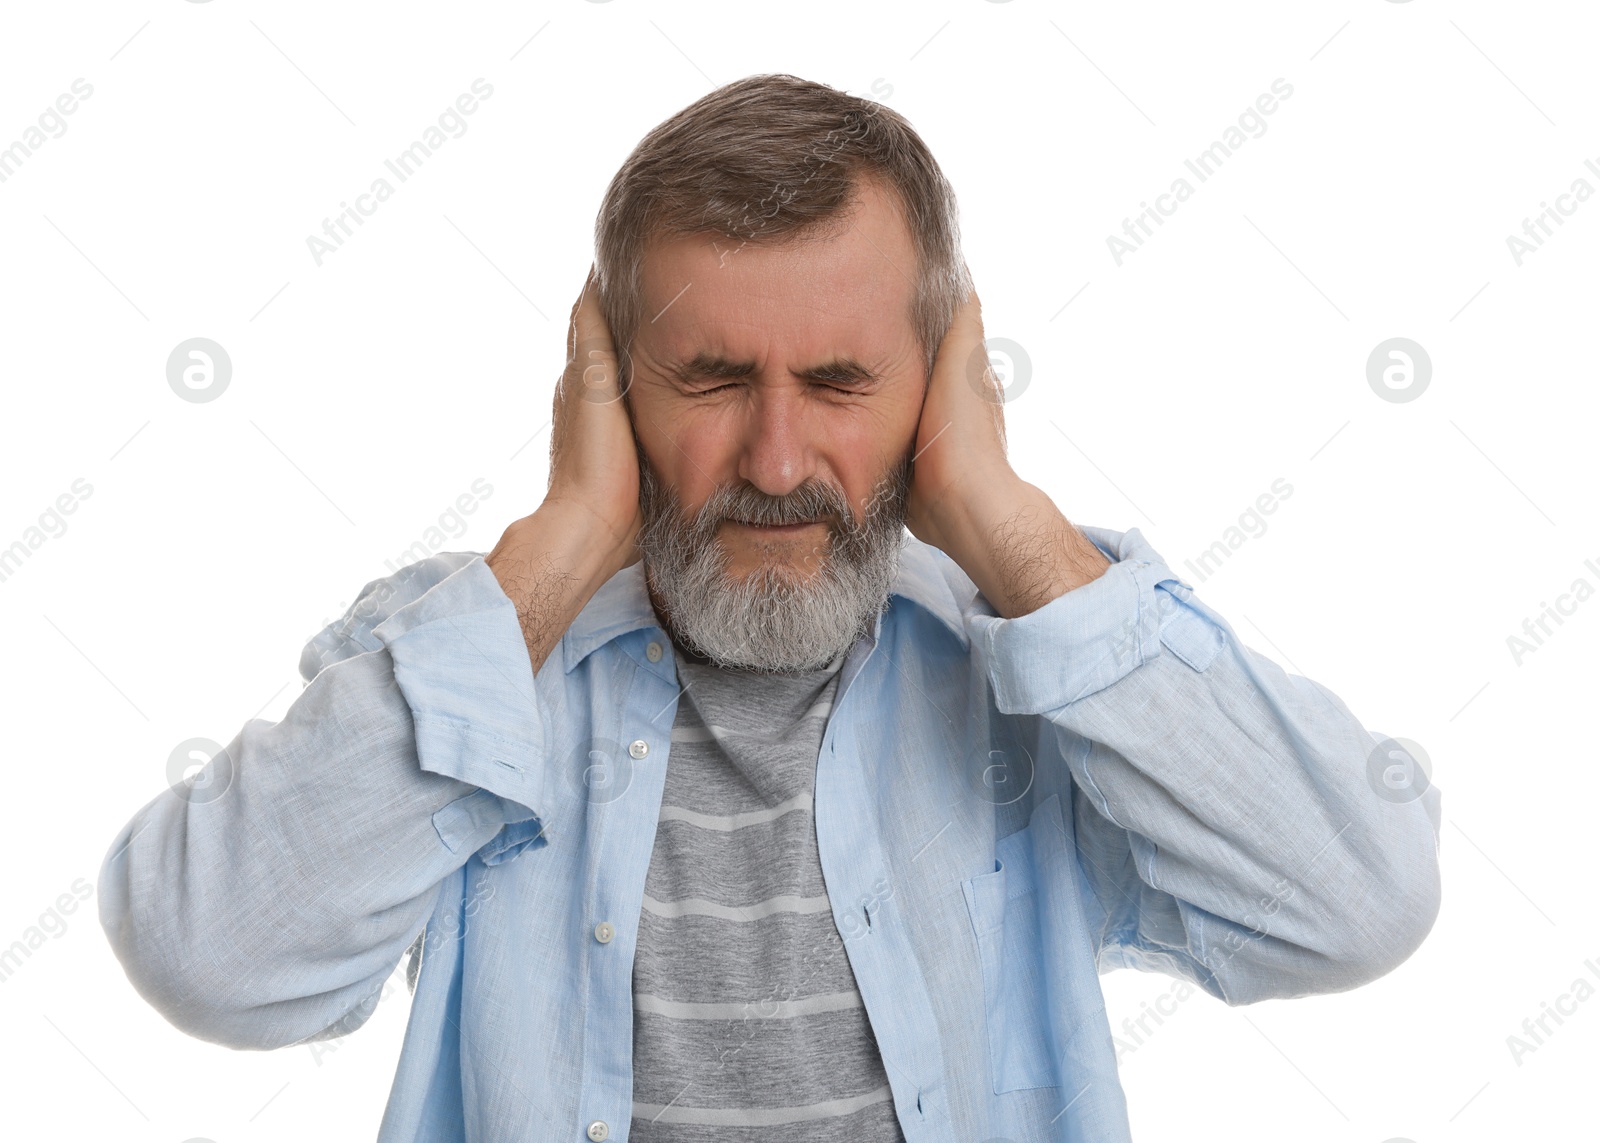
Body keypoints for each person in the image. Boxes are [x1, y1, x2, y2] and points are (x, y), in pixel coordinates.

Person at [98, 74, 1442, 1143]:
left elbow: (1357, 905)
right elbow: (205, 959)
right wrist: (564, 542)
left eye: (845, 380)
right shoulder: (481, 659)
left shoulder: (1032, 663)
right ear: (612, 384)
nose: (780, 460)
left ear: (940, 385)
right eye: (712, 378)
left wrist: (1011, 529)